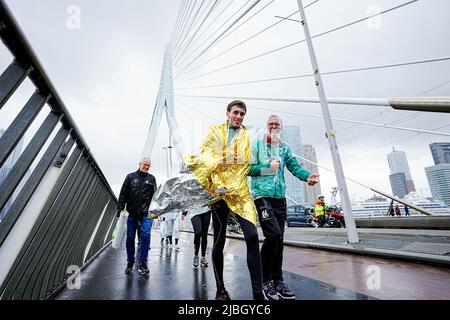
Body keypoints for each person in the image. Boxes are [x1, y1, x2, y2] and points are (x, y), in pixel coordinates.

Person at [184, 100, 264, 300]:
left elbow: (248, 166)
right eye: (235, 112)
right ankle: (220, 289)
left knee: (253, 236)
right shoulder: (214, 131)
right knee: (219, 241)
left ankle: (257, 293)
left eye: (242, 114)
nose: (238, 117)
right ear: (227, 113)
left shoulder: (248, 137)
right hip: (219, 192)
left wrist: (266, 168)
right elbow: (205, 157)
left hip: (240, 192)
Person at [250, 115, 319, 300]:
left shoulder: (285, 148)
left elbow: (294, 167)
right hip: (261, 196)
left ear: (281, 127)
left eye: (277, 124)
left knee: (279, 240)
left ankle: (278, 280)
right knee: (273, 235)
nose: (273, 126)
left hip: (280, 198)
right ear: (267, 126)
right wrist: (268, 167)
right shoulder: (257, 145)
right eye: (271, 123)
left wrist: (307, 177)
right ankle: (266, 281)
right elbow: (249, 169)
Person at [117, 157, 157, 275]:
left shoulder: (152, 178)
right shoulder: (130, 177)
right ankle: (130, 261)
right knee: (130, 237)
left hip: (146, 214)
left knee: (145, 235)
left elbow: (155, 196)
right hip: (131, 213)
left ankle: (143, 263)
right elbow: (123, 194)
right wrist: (119, 210)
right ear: (140, 164)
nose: (146, 167)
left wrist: (156, 212)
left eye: (148, 166)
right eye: (145, 165)